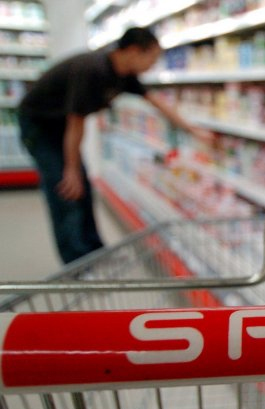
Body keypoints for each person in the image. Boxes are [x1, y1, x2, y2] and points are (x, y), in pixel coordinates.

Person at [18, 27, 206, 264]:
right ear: (134, 51)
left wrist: (192, 130)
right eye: (152, 58)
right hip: (41, 127)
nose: (153, 64)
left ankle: (95, 253)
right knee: (66, 189)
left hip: (63, 127)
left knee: (83, 188)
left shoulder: (124, 74)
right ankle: (76, 264)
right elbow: (76, 123)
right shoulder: (92, 70)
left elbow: (155, 101)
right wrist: (71, 168)